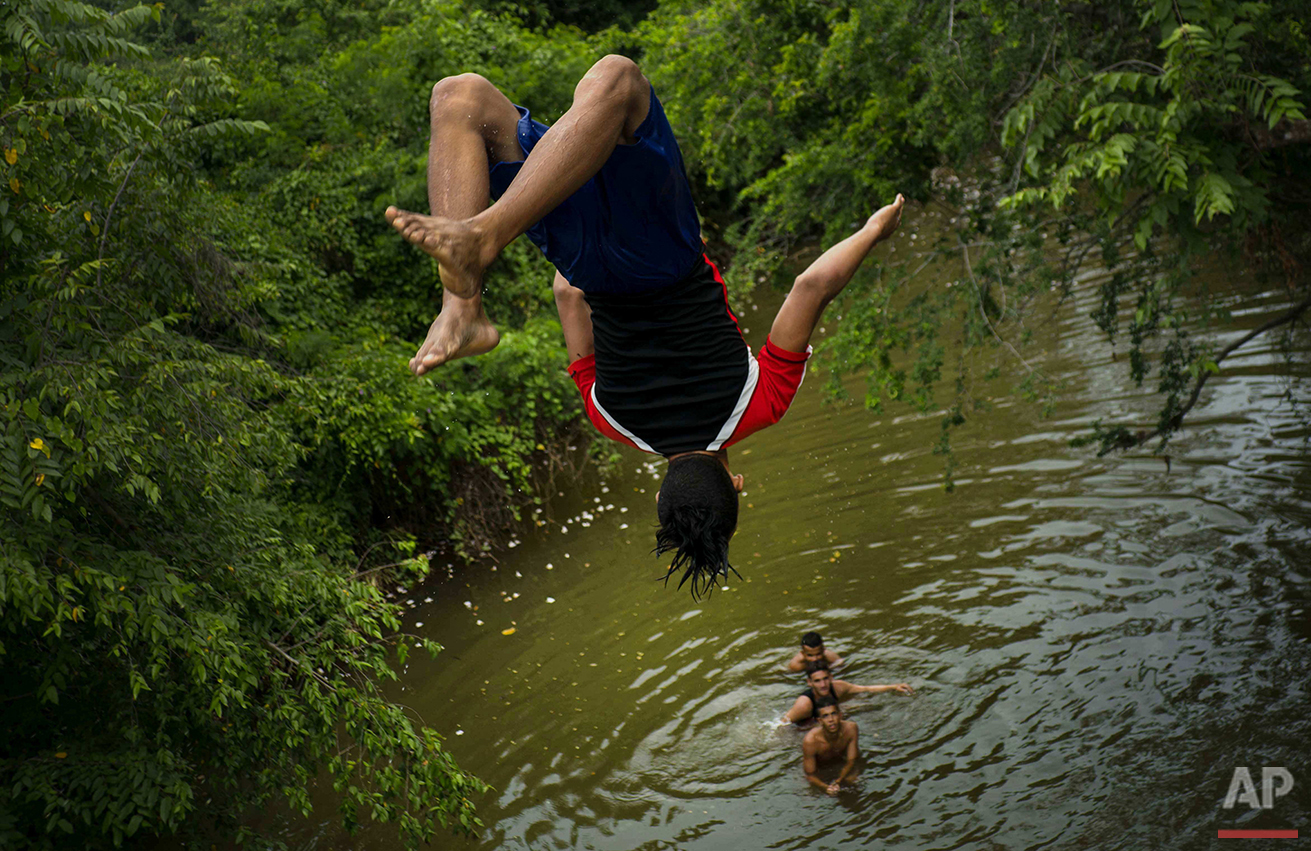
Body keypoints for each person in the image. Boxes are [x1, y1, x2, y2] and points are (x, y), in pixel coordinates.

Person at [384, 55, 905, 597]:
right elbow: (567, 294)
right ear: (659, 495)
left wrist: (872, 230)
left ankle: (476, 262)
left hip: (663, 252)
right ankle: (462, 305)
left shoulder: (761, 403)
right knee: (458, 99)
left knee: (618, 79)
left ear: (736, 483)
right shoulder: (610, 419)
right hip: (586, 262)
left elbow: (810, 287)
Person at [781, 661, 913, 725]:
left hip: (828, 720)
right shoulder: (804, 704)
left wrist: (894, 687)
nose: (823, 685)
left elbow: (865, 689)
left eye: (825, 679)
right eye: (817, 681)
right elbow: (783, 724)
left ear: (831, 677)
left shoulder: (838, 687)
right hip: (807, 726)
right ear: (809, 682)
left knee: (864, 705)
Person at [802, 696, 859, 795]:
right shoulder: (811, 741)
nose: (831, 719)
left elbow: (851, 760)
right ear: (820, 721)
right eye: (825, 716)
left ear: (840, 715)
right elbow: (810, 774)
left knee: (852, 780)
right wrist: (826, 787)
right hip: (822, 767)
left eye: (834, 714)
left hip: (841, 761)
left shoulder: (851, 729)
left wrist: (840, 780)